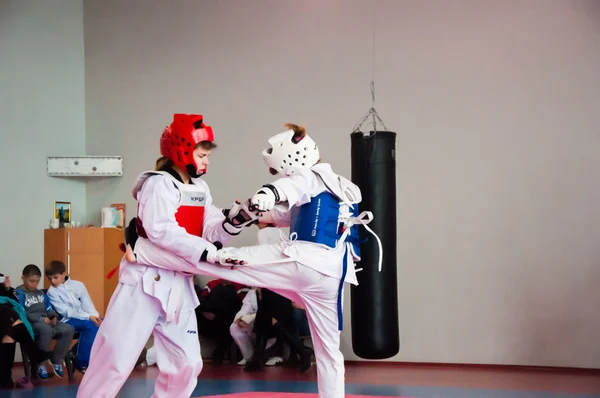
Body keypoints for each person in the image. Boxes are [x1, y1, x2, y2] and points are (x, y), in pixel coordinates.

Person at [131, 123, 382, 398]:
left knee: (217, 258)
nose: (279, 173)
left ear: (290, 158)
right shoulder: (338, 185)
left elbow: (290, 187)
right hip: (333, 276)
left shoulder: (309, 178)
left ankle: (143, 249)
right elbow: (287, 214)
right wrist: (248, 212)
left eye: (278, 169)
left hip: (303, 263)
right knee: (329, 352)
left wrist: (267, 194)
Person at [76, 114, 255, 398]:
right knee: (115, 360)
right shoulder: (158, 184)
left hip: (178, 286)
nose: (207, 161)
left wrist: (235, 220)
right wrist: (208, 252)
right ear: (182, 150)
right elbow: (162, 230)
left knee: (187, 363)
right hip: (145, 281)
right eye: (202, 154)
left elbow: (209, 227)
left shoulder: (199, 188)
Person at [14, 265, 75, 379]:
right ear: (23, 278)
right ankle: (40, 364)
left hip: (47, 321)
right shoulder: (18, 293)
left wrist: (53, 316)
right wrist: (41, 319)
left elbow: (48, 308)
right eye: (31, 281)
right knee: (45, 330)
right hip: (32, 323)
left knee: (68, 329)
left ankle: (56, 360)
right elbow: (22, 312)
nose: (34, 284)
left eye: (37, 281)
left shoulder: (40, 293)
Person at [45, 260, 101, 373]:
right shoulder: (52, 292)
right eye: (49, 278)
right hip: (66, 321)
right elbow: (67, 312)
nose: (52, 281)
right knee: (90, 325)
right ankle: (81, 363)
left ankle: (74, 354)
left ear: (64, 274)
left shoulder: (78, 285)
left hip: (83, 317)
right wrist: (88, 317)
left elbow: (87, 304)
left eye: (55, 277)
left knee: (103, 325)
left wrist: (94, 316)